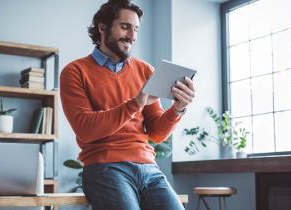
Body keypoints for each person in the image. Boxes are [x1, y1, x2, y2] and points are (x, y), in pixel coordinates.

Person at [60, 0, 195, 209]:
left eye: (136, 29)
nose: (132, 36)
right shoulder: (75, 71)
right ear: (102, 28)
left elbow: (156, 133)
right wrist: (135, 103)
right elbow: (85, 129)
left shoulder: (145, 71)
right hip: (105, 166)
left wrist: (177, 109)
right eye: (125, 27)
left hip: (149, 167)